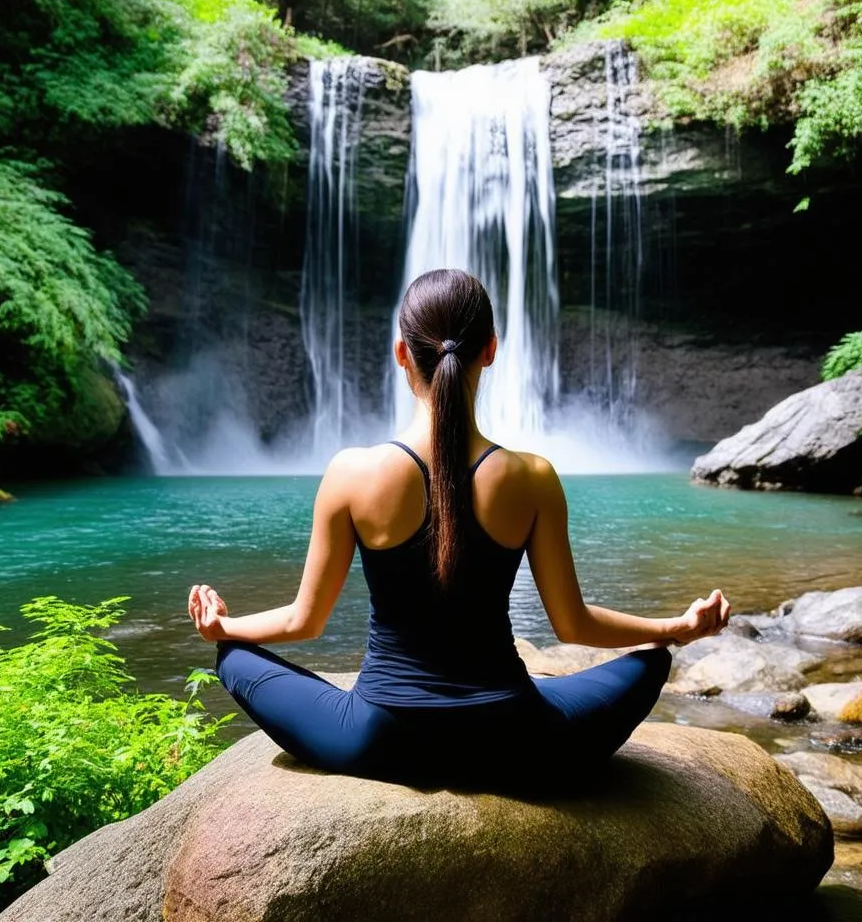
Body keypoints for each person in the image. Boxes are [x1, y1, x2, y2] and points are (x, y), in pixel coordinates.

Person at [188, 268, 730, 793]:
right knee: (653, 659)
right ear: (490, 351)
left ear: (402, 353)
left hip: (379, 740)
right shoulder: (533, 477)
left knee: (235, 659)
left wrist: (225, 627)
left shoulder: (351, 474)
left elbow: (304, 620)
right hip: (516, 740)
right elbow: (573, 623)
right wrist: (676, 627)